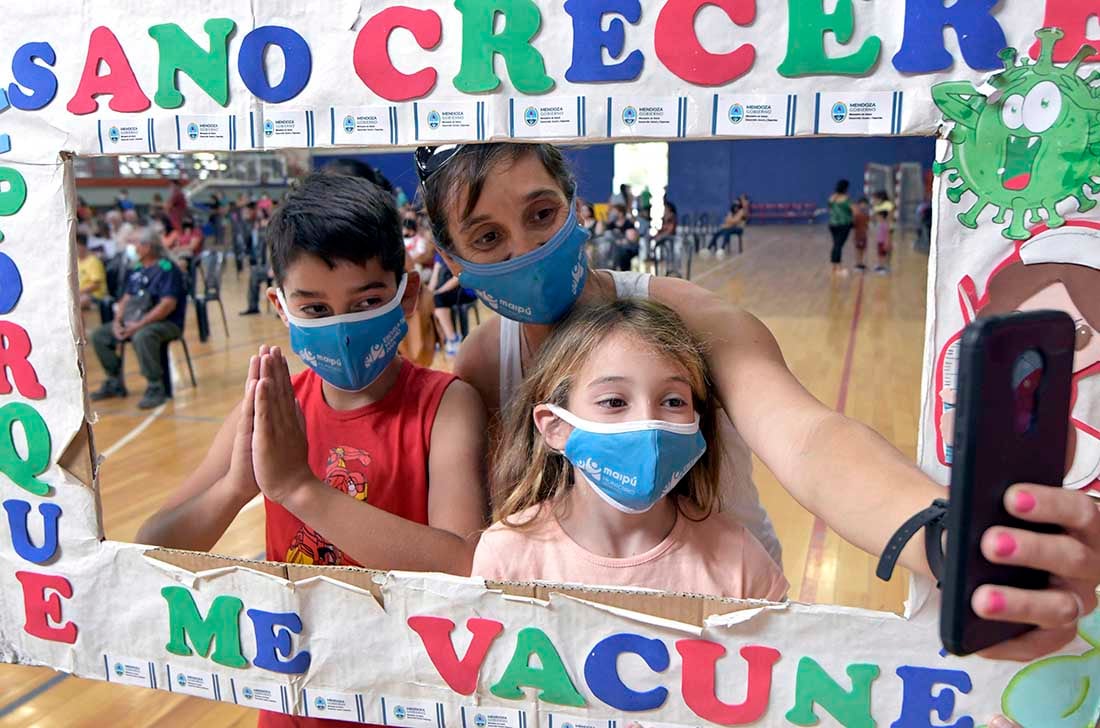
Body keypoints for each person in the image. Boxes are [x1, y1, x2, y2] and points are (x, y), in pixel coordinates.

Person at [417, 142, 1100, 661]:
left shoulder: (685, 314)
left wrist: (944, 537)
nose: (526, 247)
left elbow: (805, 438)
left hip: (725, 602)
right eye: (487, 237)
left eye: (541, 214)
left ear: (574, 206)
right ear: (453, 261)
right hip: (573, 640)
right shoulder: (484, 360)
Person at [137, 172, 487, 602]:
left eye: (367, 303)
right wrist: (235, 487)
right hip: (298, 651)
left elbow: (462, 565)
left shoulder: (447, 406)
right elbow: (150, 547)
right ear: (281, 309)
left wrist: (298, 488)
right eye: (315, 308)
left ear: (408, 295)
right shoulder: (271, 412)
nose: (340, 327)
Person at [473, 298, 788, 600]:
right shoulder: (505, 559)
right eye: (614, 401)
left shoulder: (740, 564)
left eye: (673, 401)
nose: (647, 422)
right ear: (556, 427)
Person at [89, 226, 187, 409]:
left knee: (143, 336)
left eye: (134, 243)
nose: (131, 247)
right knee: (100, 335)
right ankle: (114, 381)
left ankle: (155, 386)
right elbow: (125, 299)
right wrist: (118, 321)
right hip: (133, 321)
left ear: (147, 246)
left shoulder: (167, 269)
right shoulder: (137, 269)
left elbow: (167, 305)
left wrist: (139, 325)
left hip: (166, 323)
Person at [428, 253, 478, 356]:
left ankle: (452, 339)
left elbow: (458, 278)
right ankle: (441, 338)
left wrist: (438, 292)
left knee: (437, 299)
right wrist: (428, 293)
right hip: (448, 291)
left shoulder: (458, 251)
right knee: (429, 301)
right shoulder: (439, 254)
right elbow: (435, 276)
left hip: (465, 290)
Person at [827, 180, 854, 275]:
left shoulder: (832, 198)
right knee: (838, 245)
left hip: (832, 224)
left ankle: (834, 268)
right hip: (843, 225)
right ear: (846, 188)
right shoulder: (846, 199)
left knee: (836, 244)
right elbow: (853, 210)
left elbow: (830, 208)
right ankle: (839, 268)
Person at [76, 232, 107, 310]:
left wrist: (78, 292)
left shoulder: (93, 261)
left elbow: (96, 285)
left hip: (94, 296)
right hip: (79, 295)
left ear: (82, 246)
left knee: (77, 302)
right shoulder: (76, 262)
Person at [871, 191, 896, 274]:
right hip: (880, 227)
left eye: (876, 198)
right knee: (880, 246)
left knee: (887, 246)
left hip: (887, 227)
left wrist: (889, 228)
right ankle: (881, 264)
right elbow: (874, 217)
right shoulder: (876, 206)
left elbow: (890, 217)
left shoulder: (888, 205)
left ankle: (887, 265)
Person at [852, 197, 871, 272]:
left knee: (862, 250)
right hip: (858, 235)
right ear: (859, 205)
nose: (864, 206)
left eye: (865, 204)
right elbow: (854, 225)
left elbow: (867, 224)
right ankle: (857, 264)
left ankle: (861, 263)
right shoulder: (857, 215)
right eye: (862, 204)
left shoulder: (866, 215)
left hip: (864, 235)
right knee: (858, 250)